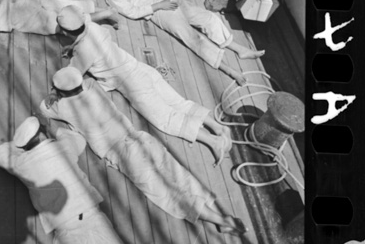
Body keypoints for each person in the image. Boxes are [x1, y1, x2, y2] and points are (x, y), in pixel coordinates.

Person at [40, 66, 248, 233]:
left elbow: (44, 109)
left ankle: (220, 220)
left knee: (166, 191)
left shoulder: (65, 107)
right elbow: (86, 81)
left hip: (121, 152)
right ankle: (218, 213)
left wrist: (53, 95)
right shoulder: (93, 87)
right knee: (179, 175)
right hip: (140, 138)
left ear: (61, 92)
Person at [0, 115, 157, 244]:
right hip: (94, 218)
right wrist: (56, 132)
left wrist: (21, 148)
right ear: (43, 133)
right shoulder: (63, 148)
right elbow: (77, 139)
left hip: (67, 234)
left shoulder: (22, 164)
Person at [55, 4, 233, 160]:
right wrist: (73, 46)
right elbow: (89, 26)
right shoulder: (91, 27)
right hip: (141, 69)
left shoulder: (84, 50)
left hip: (133, 85)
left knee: (166, 118)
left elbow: (72, 76)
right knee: (178, 103)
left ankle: (214, 141)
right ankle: (218, 127)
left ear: (65, 32)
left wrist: (56, 89)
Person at [100, 0, 265, 86]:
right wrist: (158, 6)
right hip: (158, 10)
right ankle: (230, 70)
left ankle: (239, 49)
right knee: (193, 37)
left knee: (207, 18)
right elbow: (132, 12)